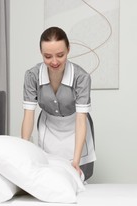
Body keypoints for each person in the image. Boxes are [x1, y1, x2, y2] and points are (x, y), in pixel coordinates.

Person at [21, 26, 96, 181]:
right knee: (48, 175)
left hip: (76, 127)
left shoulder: (81, 78)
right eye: (47, 56)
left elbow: (81, 119)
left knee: (76, 177)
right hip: (49, 127)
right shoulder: (32, 76)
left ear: (68, 49)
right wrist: (22, 150)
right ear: (40, 53)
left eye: (60, 55)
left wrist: (76, 161)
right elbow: (28, 116)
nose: (54, 62)